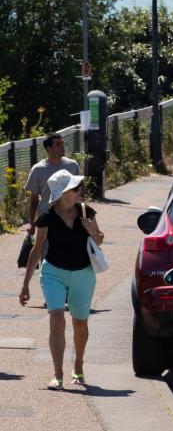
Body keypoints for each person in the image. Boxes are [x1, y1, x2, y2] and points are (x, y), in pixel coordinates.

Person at [19, 169, 104, 390]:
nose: (79, 192)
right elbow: (37, 251)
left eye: (78, 188)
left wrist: (90, 230)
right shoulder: (46, 217)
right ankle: (57, 375)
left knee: (80, 323)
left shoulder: (87, 212)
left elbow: (100, 239)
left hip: (83, 273)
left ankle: (78, 365)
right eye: (74, 189)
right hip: (53, 272)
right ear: (62, 193)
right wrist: (25, 284)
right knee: (56, 318)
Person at [23, 133, 81, 237]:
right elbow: (34, 199)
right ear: (48, 148)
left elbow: (79, 192)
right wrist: (31, 222)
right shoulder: (38, 170)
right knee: (44, 251)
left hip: (69, 217)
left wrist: (82, 215)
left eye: (62, 143)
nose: (62, 147)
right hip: (46, 219)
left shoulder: (72, 165)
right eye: (58, 144)